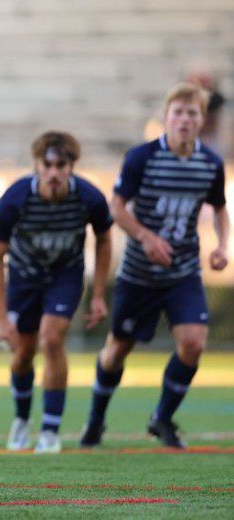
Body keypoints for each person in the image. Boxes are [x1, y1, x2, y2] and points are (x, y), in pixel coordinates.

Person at [80, 83, 228, 449]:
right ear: (166, 117)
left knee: (193, 343)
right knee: (117, 350)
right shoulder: (141, 158)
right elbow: (116, 207)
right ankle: (95, 421)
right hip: (139, 274)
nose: (184, 119)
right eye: (177, 112)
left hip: (183, 273)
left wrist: (223, 245)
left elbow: (220, 208)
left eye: (192, 113)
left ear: (201, 120)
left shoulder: (210, 163)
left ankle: (161, 418)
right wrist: (146, 237)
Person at [0, 131, 113, 453]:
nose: (55, 172)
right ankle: (21, 420)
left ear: (72, 167)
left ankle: (50, 430)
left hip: (65, 276)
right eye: (49, 165)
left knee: (52, 338)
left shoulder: (89, 198)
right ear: (37, 166)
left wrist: (98, 295)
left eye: (62, 165)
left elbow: (104, 239)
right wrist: (1, 317)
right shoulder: (15, 198)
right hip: (23, 279)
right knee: (23, 354)